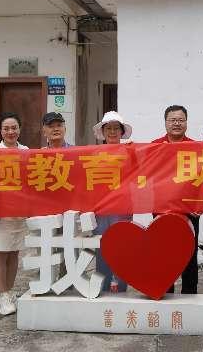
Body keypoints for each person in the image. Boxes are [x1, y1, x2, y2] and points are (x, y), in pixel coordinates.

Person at [0, 112, 29, 316]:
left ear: (19, 129)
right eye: (6, 128)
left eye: (14, 128)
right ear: (0, 131)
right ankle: (2, 295)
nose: (10, 132)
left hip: (20, 212)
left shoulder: (26, 151)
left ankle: (9, 292)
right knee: (1, 253)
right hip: (1, 212)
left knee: (14, 252)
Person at [152, 105, 199, 294]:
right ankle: (166, 292)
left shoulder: (197, 148)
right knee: (163, 255)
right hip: (161, 210)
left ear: (186, 122)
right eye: (172, 120)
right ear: (165, 123)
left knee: (189, 255)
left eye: (181, 120)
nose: (177, 124)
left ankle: (190, 295)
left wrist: (200, 205)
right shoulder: (154, 147)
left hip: (190, 211)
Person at [92, 111, 133, 292]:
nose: (112, 132)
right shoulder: (93, 154)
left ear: (122, 132)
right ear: (103, 132)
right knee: (102, 247)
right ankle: (103, 286)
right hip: (101, 209)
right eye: (108, 128)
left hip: (123, 208)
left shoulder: (130, 152)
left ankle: (121, 288)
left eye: (116, 128)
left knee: (122, 248)